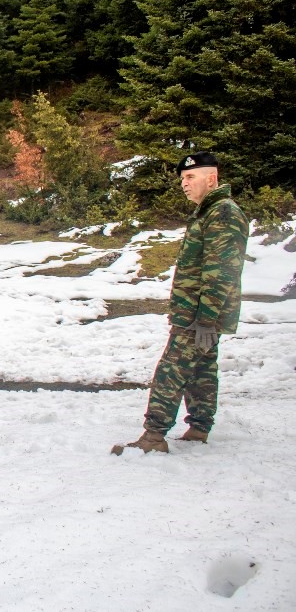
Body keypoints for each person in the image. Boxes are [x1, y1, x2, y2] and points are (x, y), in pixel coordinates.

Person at [113, 151, 249, 454]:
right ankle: (199, 427)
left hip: (199, 315)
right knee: (201, 368)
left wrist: (205, 318)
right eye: (182, 179)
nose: (184, 184)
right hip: (197, 312)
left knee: (171, 369)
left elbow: (221, 272)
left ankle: (153, 436)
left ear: (211, 179)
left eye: (190, 177)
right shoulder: (209, 211)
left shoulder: (223, 213)